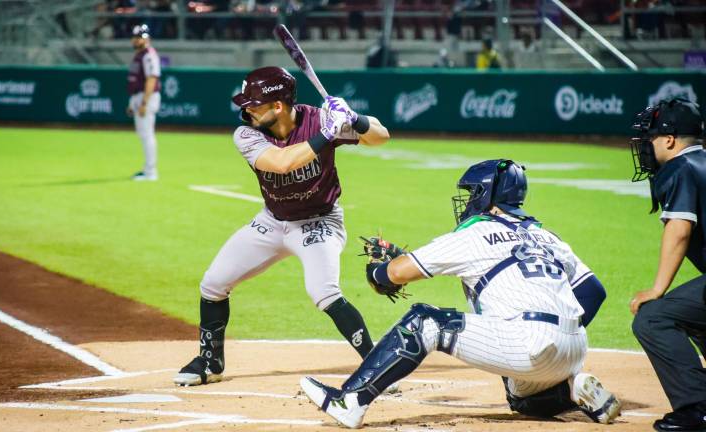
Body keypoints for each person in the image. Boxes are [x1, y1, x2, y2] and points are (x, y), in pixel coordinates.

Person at [299, 159, 622, 428]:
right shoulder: (546, 236)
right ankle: (569, 388)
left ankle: (351, 400)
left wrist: (376, 268)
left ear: (488, 196)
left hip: (530, 346)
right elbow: (593, 292)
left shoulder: (476, 233)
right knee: (518, 395)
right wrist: (560, 334)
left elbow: (392, 275)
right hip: (576, 348)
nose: (468, 201)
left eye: (473, 193)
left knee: (424, 322)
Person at [174, 66, 391, 387]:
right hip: (272, 221)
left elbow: (381, 137)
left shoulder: (318, 119)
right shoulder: (247, 133)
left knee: (324, 292)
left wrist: (355, 118)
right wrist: (329, 134)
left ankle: (378, 365)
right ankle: (210, 362)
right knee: (213, 283)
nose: (245, 109)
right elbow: (281, 162)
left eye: (254, 103)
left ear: (278, 106)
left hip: (320, 221)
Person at [629, 98, 706, 432]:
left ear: (671, 140)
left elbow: (679, 230)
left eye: (652, 138)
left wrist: (657, 290)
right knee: (696, 316)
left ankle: (697, 407)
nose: (647, 146)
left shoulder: (681, 167)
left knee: (653, 317)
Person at [126, 24, 161, 181]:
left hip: (147, 97)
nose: (136, 40)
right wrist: (132, 102)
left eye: (139, 37)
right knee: (143, 135)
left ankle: (150, 172)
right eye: (135, 37)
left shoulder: (148, 55)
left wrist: (144, 103)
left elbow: (152, 79)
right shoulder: (139, 55)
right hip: (138, 96)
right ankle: (147, 169)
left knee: (147, 135)